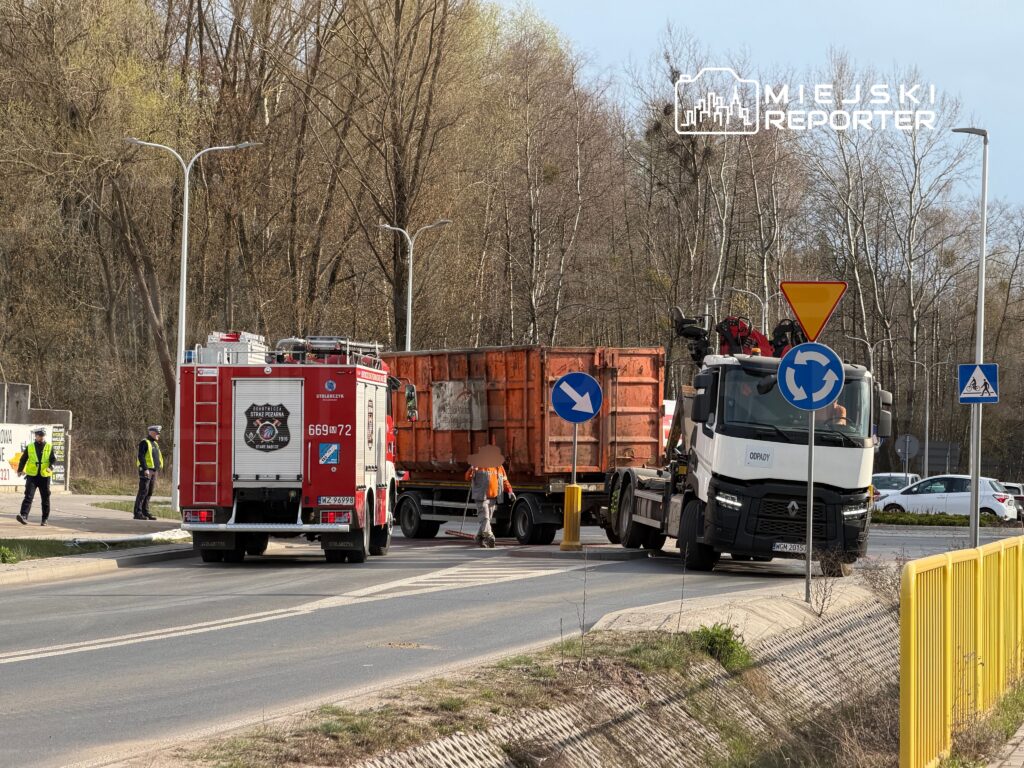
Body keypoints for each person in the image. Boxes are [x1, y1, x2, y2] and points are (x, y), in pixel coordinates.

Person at [464, 444, 515, 548]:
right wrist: (472, 469)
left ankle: (479, 537)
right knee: (485, 517)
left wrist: (510, 491)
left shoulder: (498, 466)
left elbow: (504, 480)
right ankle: (490, 536)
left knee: (487, 519)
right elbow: (467, 477)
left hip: (493, 496)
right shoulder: (478, 465)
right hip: (481, 497)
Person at [16, 427, 56, 526]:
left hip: (44, 476)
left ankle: (44, 519)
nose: (41, 437)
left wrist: (50, 467)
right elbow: (23, 459)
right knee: (28, 496)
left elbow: (54, 460)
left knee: (45, 498)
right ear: (36, 436)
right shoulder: (30, 447)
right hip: (32, 476)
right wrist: (20, 470)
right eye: (39, 436)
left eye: (43, 436)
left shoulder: (49, 447)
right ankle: (23, 516)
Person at [134, 425, 164, 520]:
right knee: (143, 491)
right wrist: (145, 469)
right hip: (146, 470)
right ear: (152, 432)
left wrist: (158, 467)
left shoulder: (155, 443)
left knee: (149, 492)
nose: (158, 435)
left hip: (154, 471)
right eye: (157, 433)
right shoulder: (144, 442)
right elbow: (141, 456)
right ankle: (137, 513)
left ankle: (145, 512)